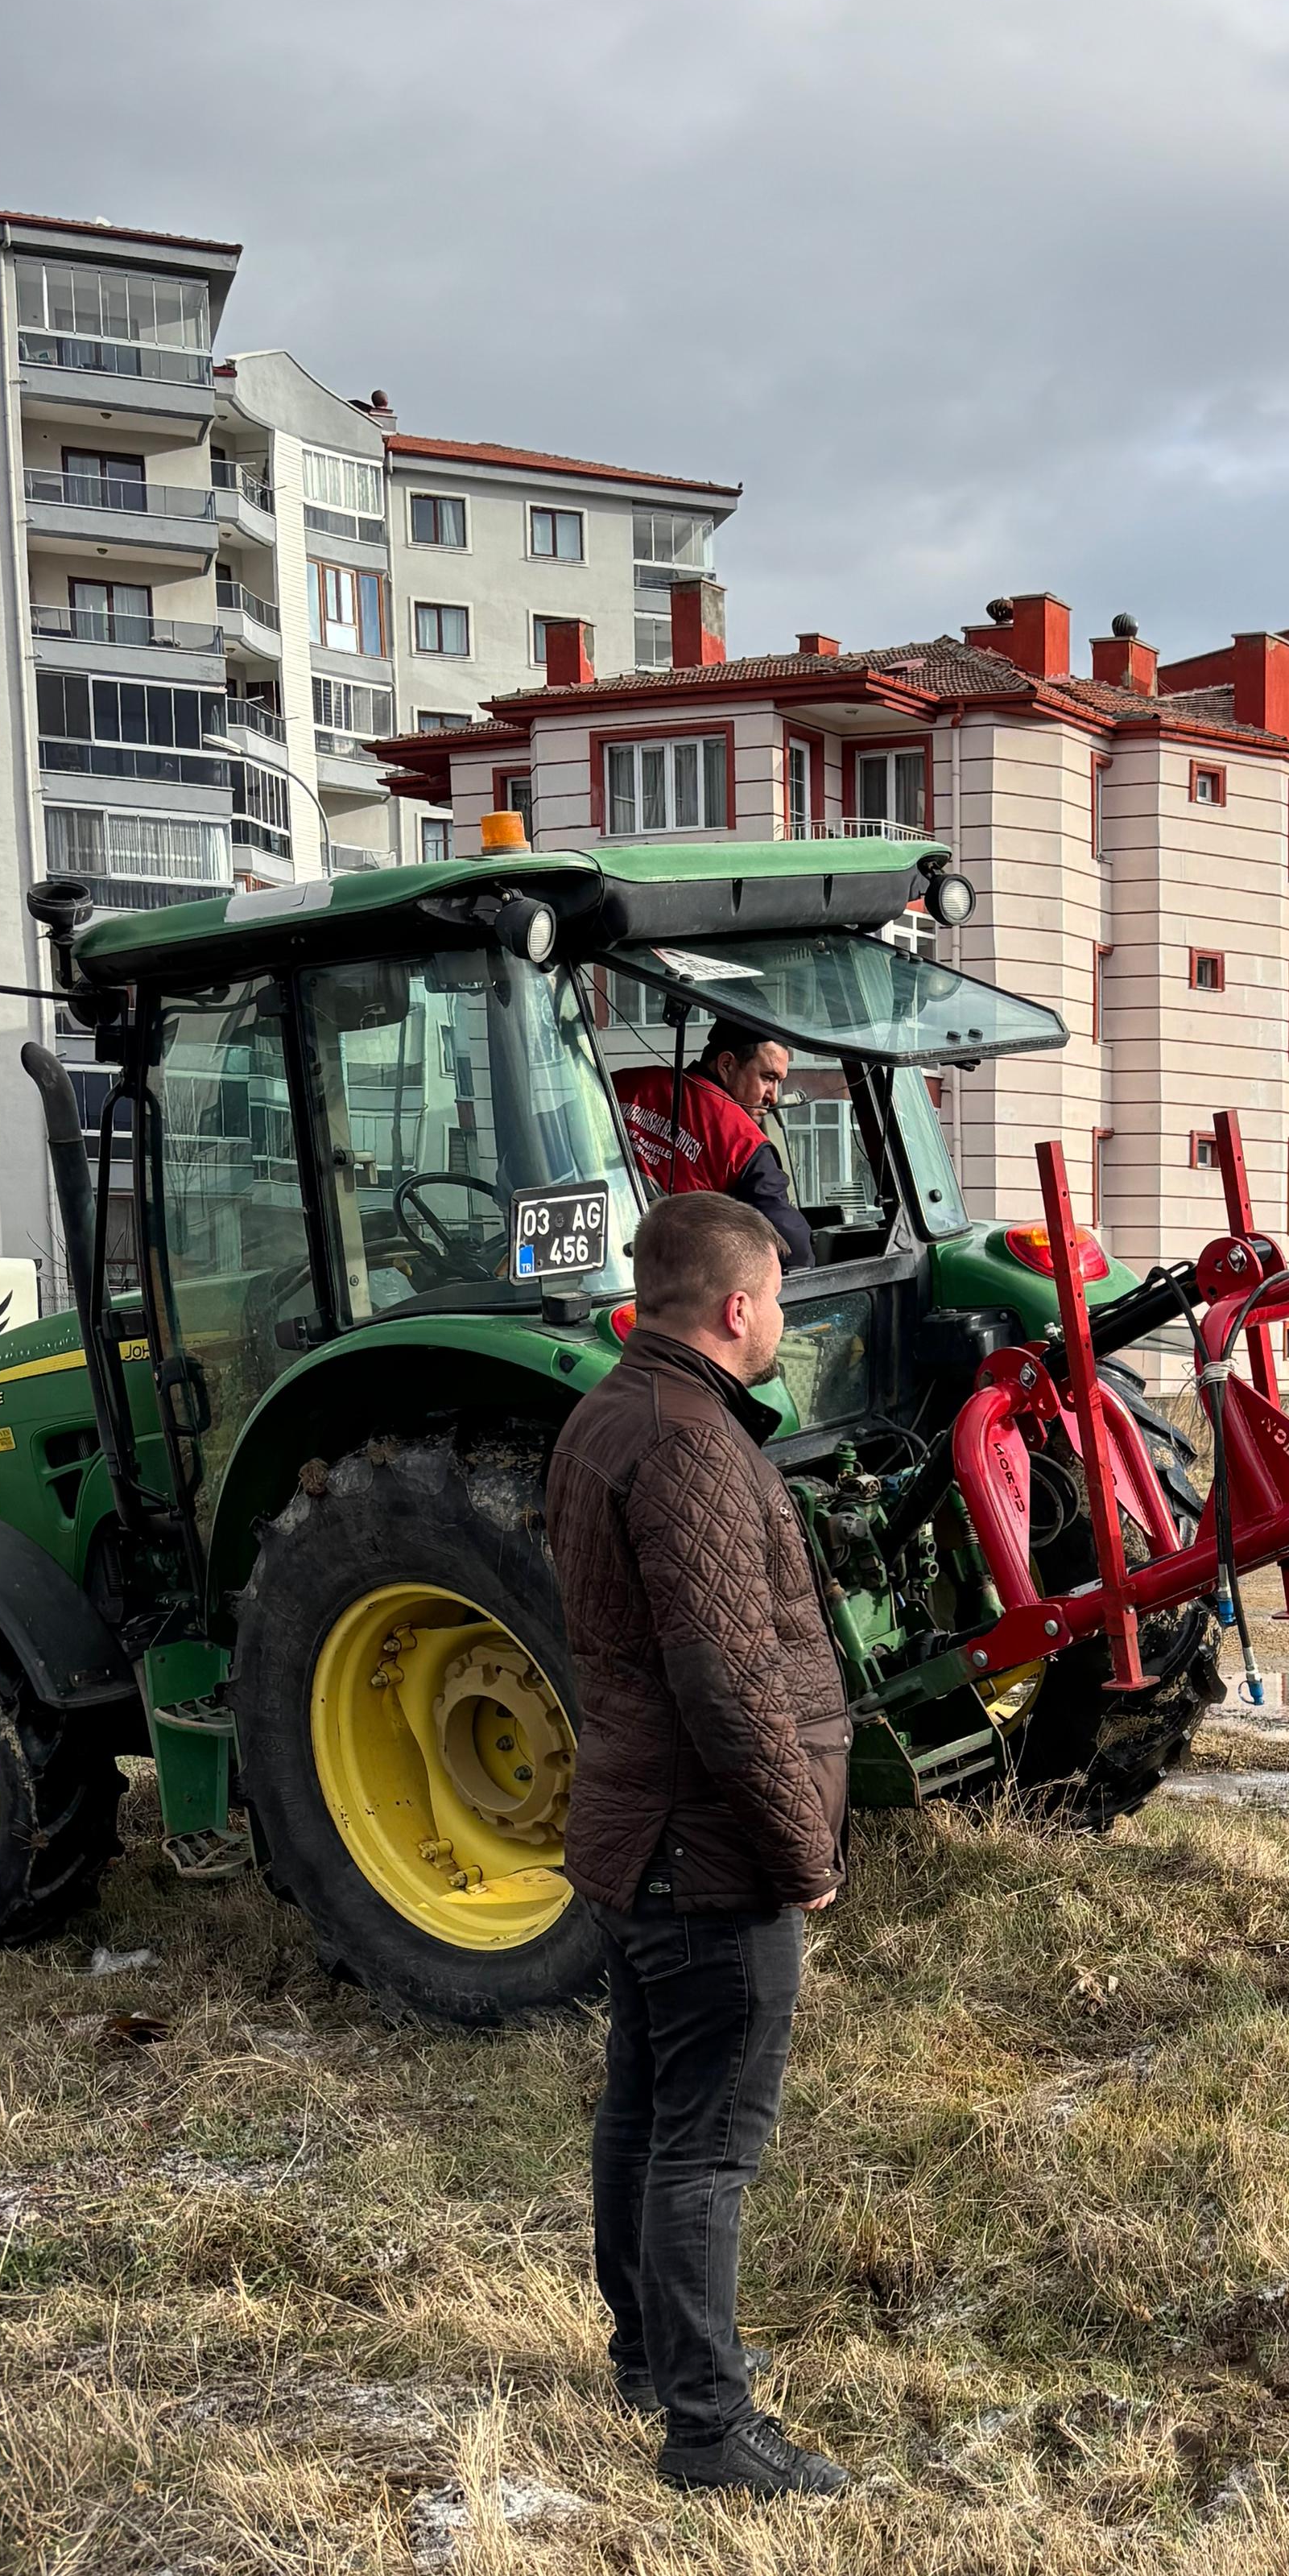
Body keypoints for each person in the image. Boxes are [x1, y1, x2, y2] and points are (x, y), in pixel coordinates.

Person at [547, 1190, 849, 2496]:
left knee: (644, 2105)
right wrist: (805, 1853)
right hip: (703, 1850)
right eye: (775, 1298)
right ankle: (711, 2431)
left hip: (631, 1830)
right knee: (707, 2143)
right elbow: (731, 1686)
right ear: (737, 1308)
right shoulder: (688, 1449)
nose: (780, 1319)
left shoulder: (607, 1414)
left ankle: (649, 2353)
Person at [612, 1023, 816, 1270]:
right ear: (727, 1065)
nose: (773, 1097)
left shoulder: (622, 1085)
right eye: (768, 1078)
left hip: (605, 1269)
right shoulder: (744, 1143)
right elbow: (794, 1253)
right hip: (676, 1284)